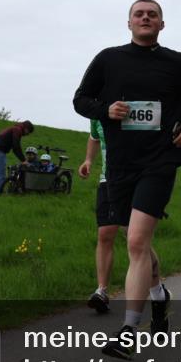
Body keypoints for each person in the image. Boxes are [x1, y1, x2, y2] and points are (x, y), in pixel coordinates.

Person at [74, 0, 181, 360]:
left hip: (161, 159)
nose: (146, 18)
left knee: (135, 241)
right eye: (139, 14)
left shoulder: (179, 63)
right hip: (120, 163)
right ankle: (159, 295)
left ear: (162, 25)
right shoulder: (108, 59)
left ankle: (129, 331)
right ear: (129, 23)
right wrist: (106, 109)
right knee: (138, 241)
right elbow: (80, 100)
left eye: (153, 14)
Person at [79, 119, 125, 314]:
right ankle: (102, 291)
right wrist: (89, 160)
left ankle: (155, 288)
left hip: (134, 179)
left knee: (134, 236)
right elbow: (94, 137)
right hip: (108, 180)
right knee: (105, 234)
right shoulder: (97, 111)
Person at [0, 120, 34, 193]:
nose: (27, 134)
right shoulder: (17, 130)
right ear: (26, 128)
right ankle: (1, 193)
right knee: (1, 174)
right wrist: (23, 160)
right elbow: (16, 147)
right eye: (28, 132)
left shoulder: (14, 128)